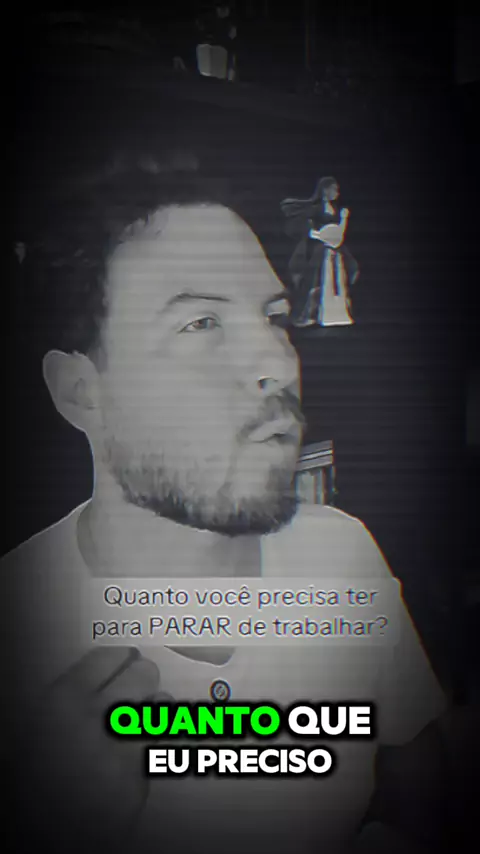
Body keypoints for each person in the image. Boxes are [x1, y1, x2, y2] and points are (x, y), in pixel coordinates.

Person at [2, 156, 450, 854]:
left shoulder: (341, 554)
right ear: (81, 392)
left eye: (275, 317)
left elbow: (421, 781)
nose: (277, 361)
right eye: (201, 323)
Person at [281, 176, 359, 328]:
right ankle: (306, 313)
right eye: (334, 189)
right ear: (325, 190)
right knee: (313, 280)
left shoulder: (336, 210)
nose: (337, 193)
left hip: (334, 250)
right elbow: (298, 226)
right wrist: (313, 233)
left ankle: (332, 312)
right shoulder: (316, 209)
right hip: (319, 250)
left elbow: (338, 234)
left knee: (338, 277)